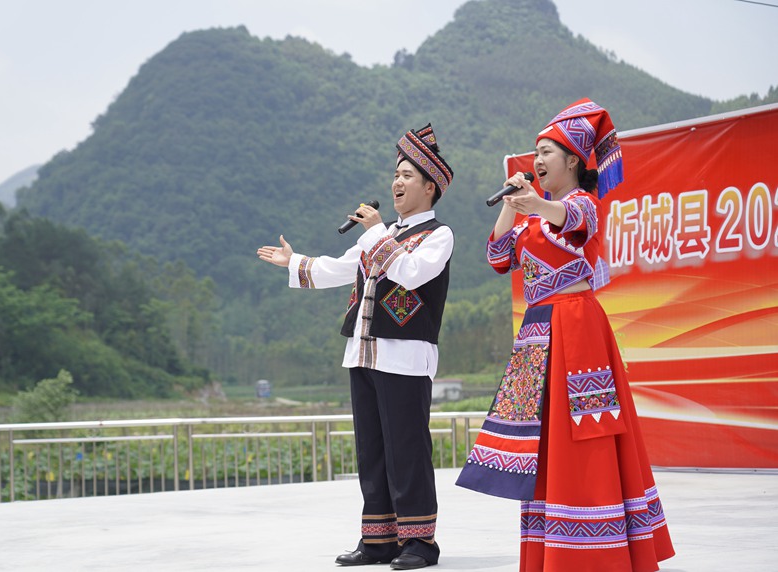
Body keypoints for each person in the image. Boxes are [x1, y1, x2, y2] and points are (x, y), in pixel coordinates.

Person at [456, 99, 675, 571]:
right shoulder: (533, 217)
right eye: (534, 153)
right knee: (543, 441)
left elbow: (575, 221)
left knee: (585, 433)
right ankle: (552, 550)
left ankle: (599, 546)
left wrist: (535, 203)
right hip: (538, 333)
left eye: (546, 153)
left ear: (573, 160)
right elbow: (497, 257)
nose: (536, 161)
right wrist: (513, 206)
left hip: (577, 328)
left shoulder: (581, 204)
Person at [257, 124, 454, 570]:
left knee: (407, 447)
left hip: (404, 357)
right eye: (396, 173)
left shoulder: (438, 236)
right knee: (372, 448)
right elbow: (340, 268)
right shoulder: (379, 236)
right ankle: (379, 538)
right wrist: (297, 262)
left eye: (408, 175)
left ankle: (420, 542)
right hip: (363, 354)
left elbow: (408, 273)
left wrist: (378, 231)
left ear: (430, 186)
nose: (397, 182)